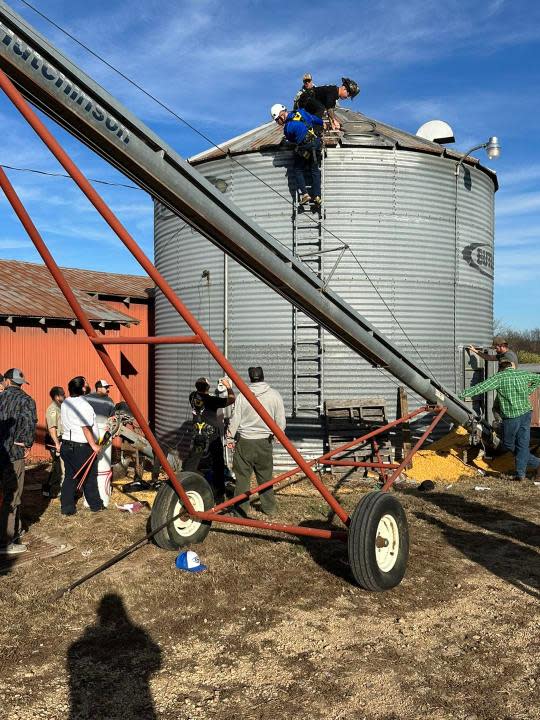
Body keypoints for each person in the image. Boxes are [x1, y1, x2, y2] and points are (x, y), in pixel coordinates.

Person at [459, 360, 540, 481]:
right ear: (511, 367)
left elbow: (481, 387)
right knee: (522, 444)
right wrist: (527, 391)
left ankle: (535, 463)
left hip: (512, 417)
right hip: (526, 414)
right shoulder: (522, 374)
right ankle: (520, 474)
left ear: (500, 369)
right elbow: (538, 378)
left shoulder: (500, 377)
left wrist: (461, 395)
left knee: (507, 444)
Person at [227, 366, 286, 517]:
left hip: (245, 442)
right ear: (263, 376)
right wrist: (279, 434)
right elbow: (280, 419)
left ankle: (240, 511)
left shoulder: (242, 396)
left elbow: (235, 419)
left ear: (250, 378)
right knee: (265, 477)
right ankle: (269, 508)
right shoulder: (274, 395)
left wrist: (229, 437)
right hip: (264, 443)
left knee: (242, 478)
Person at [0, 368, 37, 555]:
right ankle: (6, 542)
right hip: (13, 455)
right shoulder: (27, 400)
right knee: (12, 496)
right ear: (21, 384)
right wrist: (26, 443)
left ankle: (13, 529)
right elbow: (29, 425)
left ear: (7, 381)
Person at [183, 376, 235, 504]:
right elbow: (231, 400)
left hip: (198, 433)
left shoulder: (192, 396)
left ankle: (184, 486)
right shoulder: (212, 400)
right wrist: (228, 387)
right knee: (218, 463)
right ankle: (219, 495)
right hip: (211, 436)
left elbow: (200, 395)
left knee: (193, 459)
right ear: (207, 388)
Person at [60, 376, 103, 516]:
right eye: (87, 383)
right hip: (81, 446)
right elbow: (85, 427)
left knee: (70, 477)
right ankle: (96, 506)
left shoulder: (66, 402)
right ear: (83, 388)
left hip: (66, 445)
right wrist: (94, 445)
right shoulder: (84, 405)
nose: (89, 385)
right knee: (89, 477)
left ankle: (67, 508)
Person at [271, 103, 324, 208]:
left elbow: (292, 141)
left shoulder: (287, 129)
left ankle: (305, 194)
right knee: (314, 169)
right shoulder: (301, 112)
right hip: (316, 144)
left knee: (297, 169)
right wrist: (323, 123)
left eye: (277, 120)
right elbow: (314, 119)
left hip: (305, 147)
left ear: (281, 116)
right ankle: (317, 196)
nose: (278, 123)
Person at [86, 380, 116, 507]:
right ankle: (90, 497)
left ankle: (100, 497)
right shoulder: (86, 399)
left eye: (108, 388)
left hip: (104, 432)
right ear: (98, 388)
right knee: (91, 464)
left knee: (102, 465)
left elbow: (112, 418)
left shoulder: (109, 401)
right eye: (105, 387)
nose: (107, 390)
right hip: (90, 431)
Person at [42, 386, 65, 499]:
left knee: (60, 467)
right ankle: (47, 488)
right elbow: (52, 428)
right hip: (55, 441)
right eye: (63, 394)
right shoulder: (53, 409)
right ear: (57, 397)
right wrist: (56, 444)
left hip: (60, 440)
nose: (65, 396)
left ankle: (54, 488)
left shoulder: (60, 407)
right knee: (58, 467)